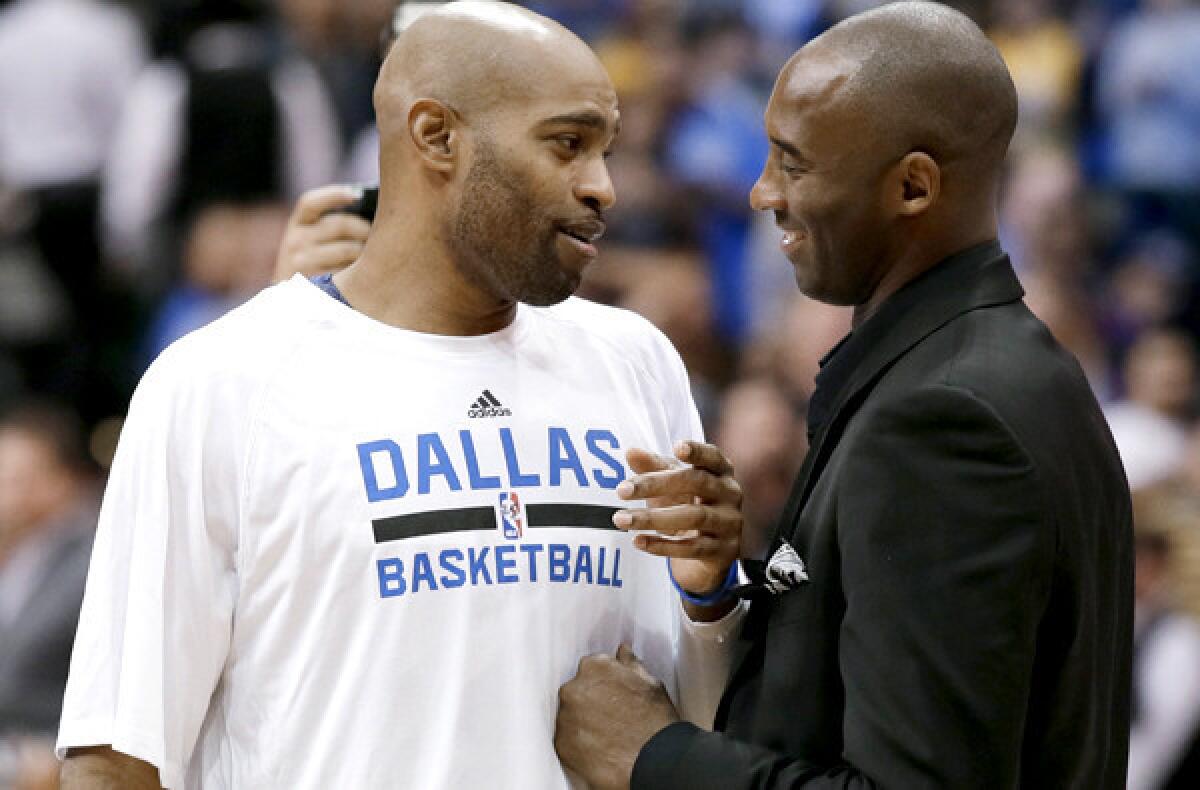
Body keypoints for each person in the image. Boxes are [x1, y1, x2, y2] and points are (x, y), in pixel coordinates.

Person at [55, 3, 744, 788]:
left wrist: (714, 600)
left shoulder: (638, 361)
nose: (604, 187)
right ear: (436, 135)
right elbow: (117, 757)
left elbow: (692, 719)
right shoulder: (217, 383)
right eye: (567, 144)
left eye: (607, 150)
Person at [554, 3, 1133, 788]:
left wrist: (653, 757)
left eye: (793, 163)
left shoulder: (943, 419)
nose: (762, 194)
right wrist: (719, 592)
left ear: (914, 187)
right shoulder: (1007, 366)